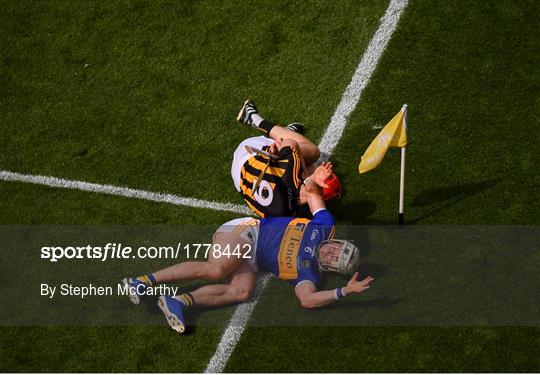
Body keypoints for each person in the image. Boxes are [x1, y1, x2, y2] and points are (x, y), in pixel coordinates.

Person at [122, 167, 373, 333]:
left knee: (241, 292)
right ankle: (141, 281)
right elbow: (313, 193)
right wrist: (315, 180)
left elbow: (308, 300)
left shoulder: (308, 274)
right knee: (217, 269)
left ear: (331, 267)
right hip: (247, 230)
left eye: (334, 258)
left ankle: (178, 301)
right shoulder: (325, 225)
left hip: (251, 258)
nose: (332, 251)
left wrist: (344, 291)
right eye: (339, 248)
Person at [232, 99, 342, 218]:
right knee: (313, 167)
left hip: (248, 153)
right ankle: (284, 133)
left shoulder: (288, 171)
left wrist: (283, 153)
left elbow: (290, 144)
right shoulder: (289, 217)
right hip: (240, 180)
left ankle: (254, 119)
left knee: (313, 153)